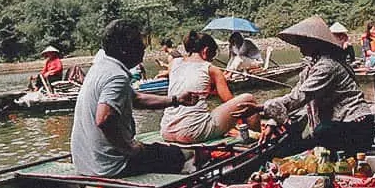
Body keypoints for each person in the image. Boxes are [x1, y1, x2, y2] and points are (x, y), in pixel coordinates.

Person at [71, 19, 204, 177]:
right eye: (139, 43)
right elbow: (105, 118)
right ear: (125, 49)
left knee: (157, 150)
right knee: (186, 154)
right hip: (113, 165)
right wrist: (129, 148)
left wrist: (176, 100)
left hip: (85, 164)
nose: (143, 47)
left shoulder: (100, 67)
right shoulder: (116, 76)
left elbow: (136, 99)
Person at [256, 15, 375, 157]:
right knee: (303, 140)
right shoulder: (311, 68)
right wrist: (273, 121)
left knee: (320, 132)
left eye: (303, 42)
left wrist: (261, 108)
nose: (299, 46)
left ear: (315, 42)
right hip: (340, 126)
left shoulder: (327, 66)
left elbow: (299, 98)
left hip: (357, 127)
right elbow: (296, 96)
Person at [160, 31, 259, 143]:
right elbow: (232, 102)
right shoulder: (212, 69)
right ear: (205, 51)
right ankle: (256, 142)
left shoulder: (174, 63)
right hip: (193, 132)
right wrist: (220, 80)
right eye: (212, 56)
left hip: (166, 130)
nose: (211, 60)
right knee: (248, 100)